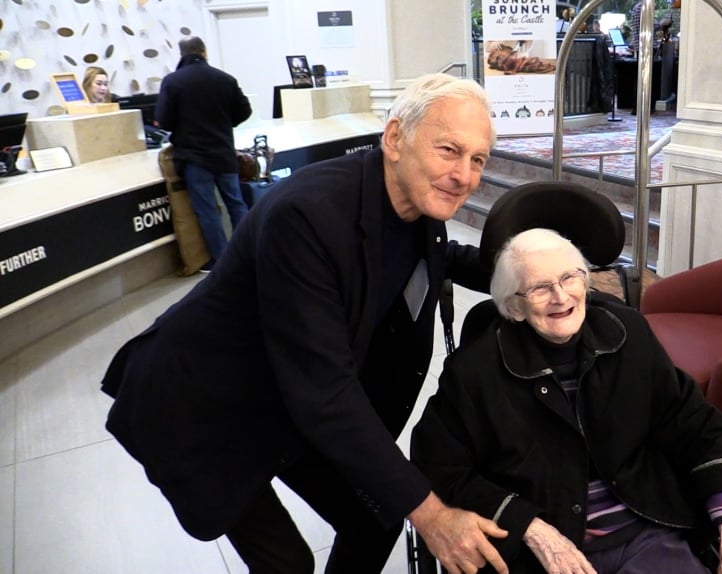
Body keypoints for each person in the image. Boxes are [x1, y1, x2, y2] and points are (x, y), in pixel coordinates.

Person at [101, 73, 509, 574]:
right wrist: (433, 515)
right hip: (204, 403)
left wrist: (537, 275)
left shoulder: (415, 200)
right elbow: (324, 389)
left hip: (284, 396)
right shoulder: (307, 214)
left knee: (375, 516)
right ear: (396, 138)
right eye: (450, 150)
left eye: (478, 160)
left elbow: (445, 256)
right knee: (287, 563)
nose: (464, 175)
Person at [412, 228, 722, 574]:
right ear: (515, 307)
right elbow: (441, 467)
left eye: (569, 278)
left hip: (645, 531)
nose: (561, 297)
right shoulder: (476, 370)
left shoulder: (628, 335)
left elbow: (698, 426)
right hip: (537, 551)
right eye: (540, 287)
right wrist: (533, 529)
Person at [155, 36, 251, 272]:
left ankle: (222, 261)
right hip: (224, 153)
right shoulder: (225, 79)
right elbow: (244, 110)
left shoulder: (173, 81)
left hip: (194, 158)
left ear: (181, 54)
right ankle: (248, 251)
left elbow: (164, 121)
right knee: (236, 204)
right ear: (204, 52)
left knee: (207, 211)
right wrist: (224, 124)